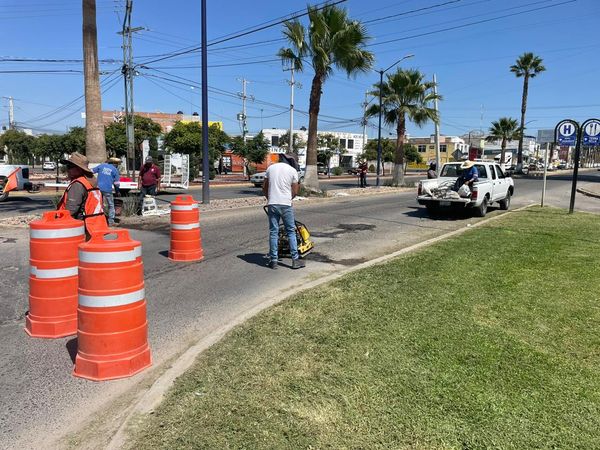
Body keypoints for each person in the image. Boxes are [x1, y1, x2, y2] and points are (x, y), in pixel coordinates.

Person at [262, 152, 305, 270]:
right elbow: (295, 190)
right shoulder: (292, 171)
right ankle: (295, 260)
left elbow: (264, 187)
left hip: (272, 204)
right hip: (286, 204)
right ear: (291, 161)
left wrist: (269, 198)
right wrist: (287, 198)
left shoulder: (270, 168)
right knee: (290, 231)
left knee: (273, 232)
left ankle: (273, 260)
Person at [57, 152, 107, 235]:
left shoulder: (78, 184)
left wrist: (63, 229)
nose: (67, 169)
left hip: (81, 228)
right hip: (94, 226)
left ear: (79, 169)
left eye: (70, 167)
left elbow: (70, 211)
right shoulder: (90, 182)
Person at [93, 157, 121, 226]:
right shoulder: (115, 170)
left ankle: (98, 220)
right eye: (117, 164)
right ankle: (111, 222)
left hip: (98, 189)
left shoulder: (101, 166)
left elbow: (91, 171)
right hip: (107, 190)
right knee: (111, 205)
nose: (117, 165)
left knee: (98, 204)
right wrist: (117, 192)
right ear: (115, 164)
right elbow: (116, 184)